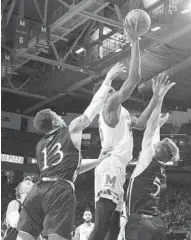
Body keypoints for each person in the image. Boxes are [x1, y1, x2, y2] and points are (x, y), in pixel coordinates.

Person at [16, 62, 125, 240]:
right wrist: (108, 79)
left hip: (37, 190)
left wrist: (97, 161)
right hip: (59, 190)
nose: (61, 117)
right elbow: (94, 105)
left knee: (24, 236)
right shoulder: (71, 129)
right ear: (56, 121)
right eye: (58, 115)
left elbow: (71, 166)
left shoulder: (40, 145)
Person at [89, 19, 172, 240]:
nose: (116, 92)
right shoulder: (109, 106)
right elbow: (134, 78)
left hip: (119, 167)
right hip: (110, 166)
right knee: (101, 226)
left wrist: (156, 98)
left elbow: (142, 123)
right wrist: (134, 42)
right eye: (112, 90)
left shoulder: (122, 113)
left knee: (114, 230)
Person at [124, 76, 179, 240]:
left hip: (140, 222)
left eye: (158, 144)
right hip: (156, 224)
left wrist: (159, 97)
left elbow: (151, 127)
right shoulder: (159, 167)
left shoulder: (149, 162)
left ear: (157, 151)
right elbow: (153, 133)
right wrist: (156, 128)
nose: (155, 144)